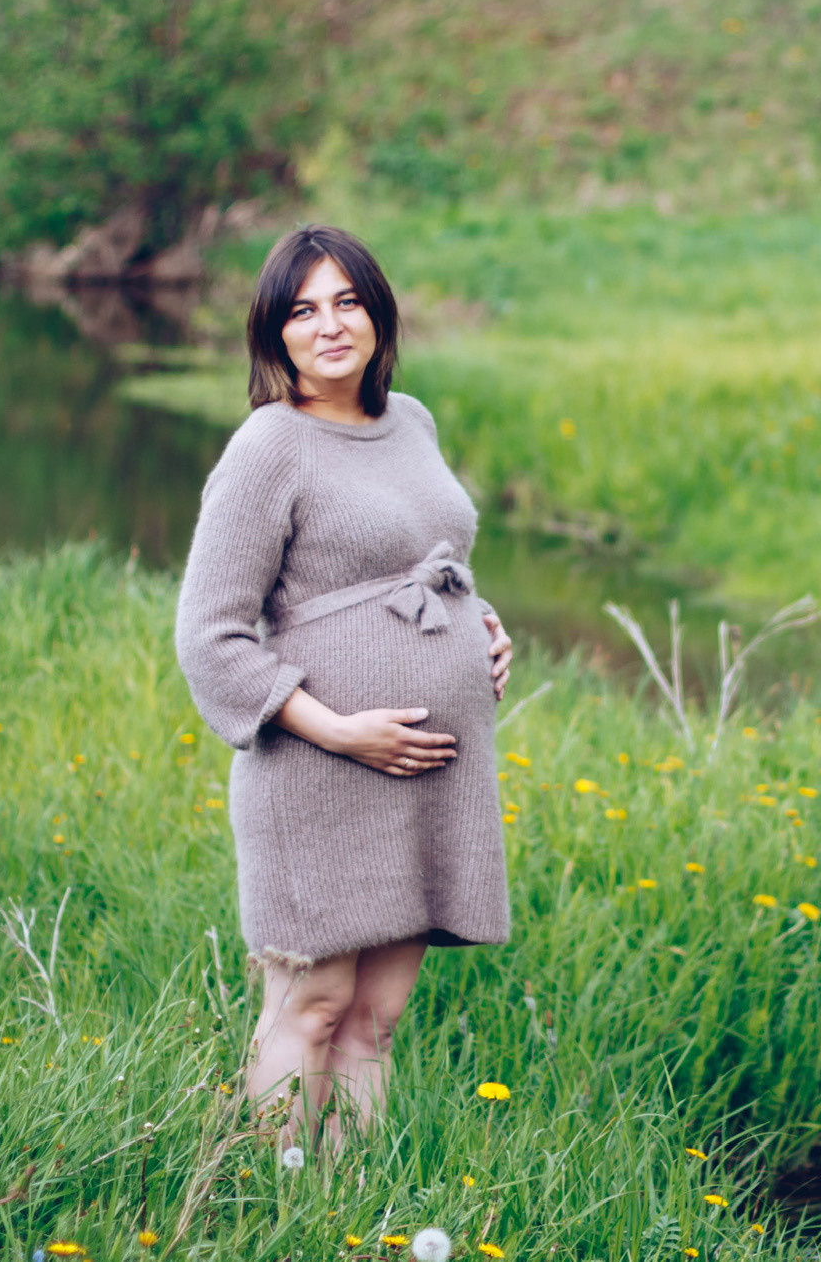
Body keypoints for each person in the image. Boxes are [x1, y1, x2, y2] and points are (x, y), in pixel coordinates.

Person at [174, 224, 514, 1154]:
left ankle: (349, 1214)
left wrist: (482, 624)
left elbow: (433, 556)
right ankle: (263, 1199)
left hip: (426, 771)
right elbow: (209, 634)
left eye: (346, 301)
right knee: (314, 1003)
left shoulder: (412, 419)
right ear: (274, 335)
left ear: (377, 310)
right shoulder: (269, 446)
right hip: (319, 769)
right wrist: (337, 728)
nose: (328, 326)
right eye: (302, 310)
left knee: (378, 1016)